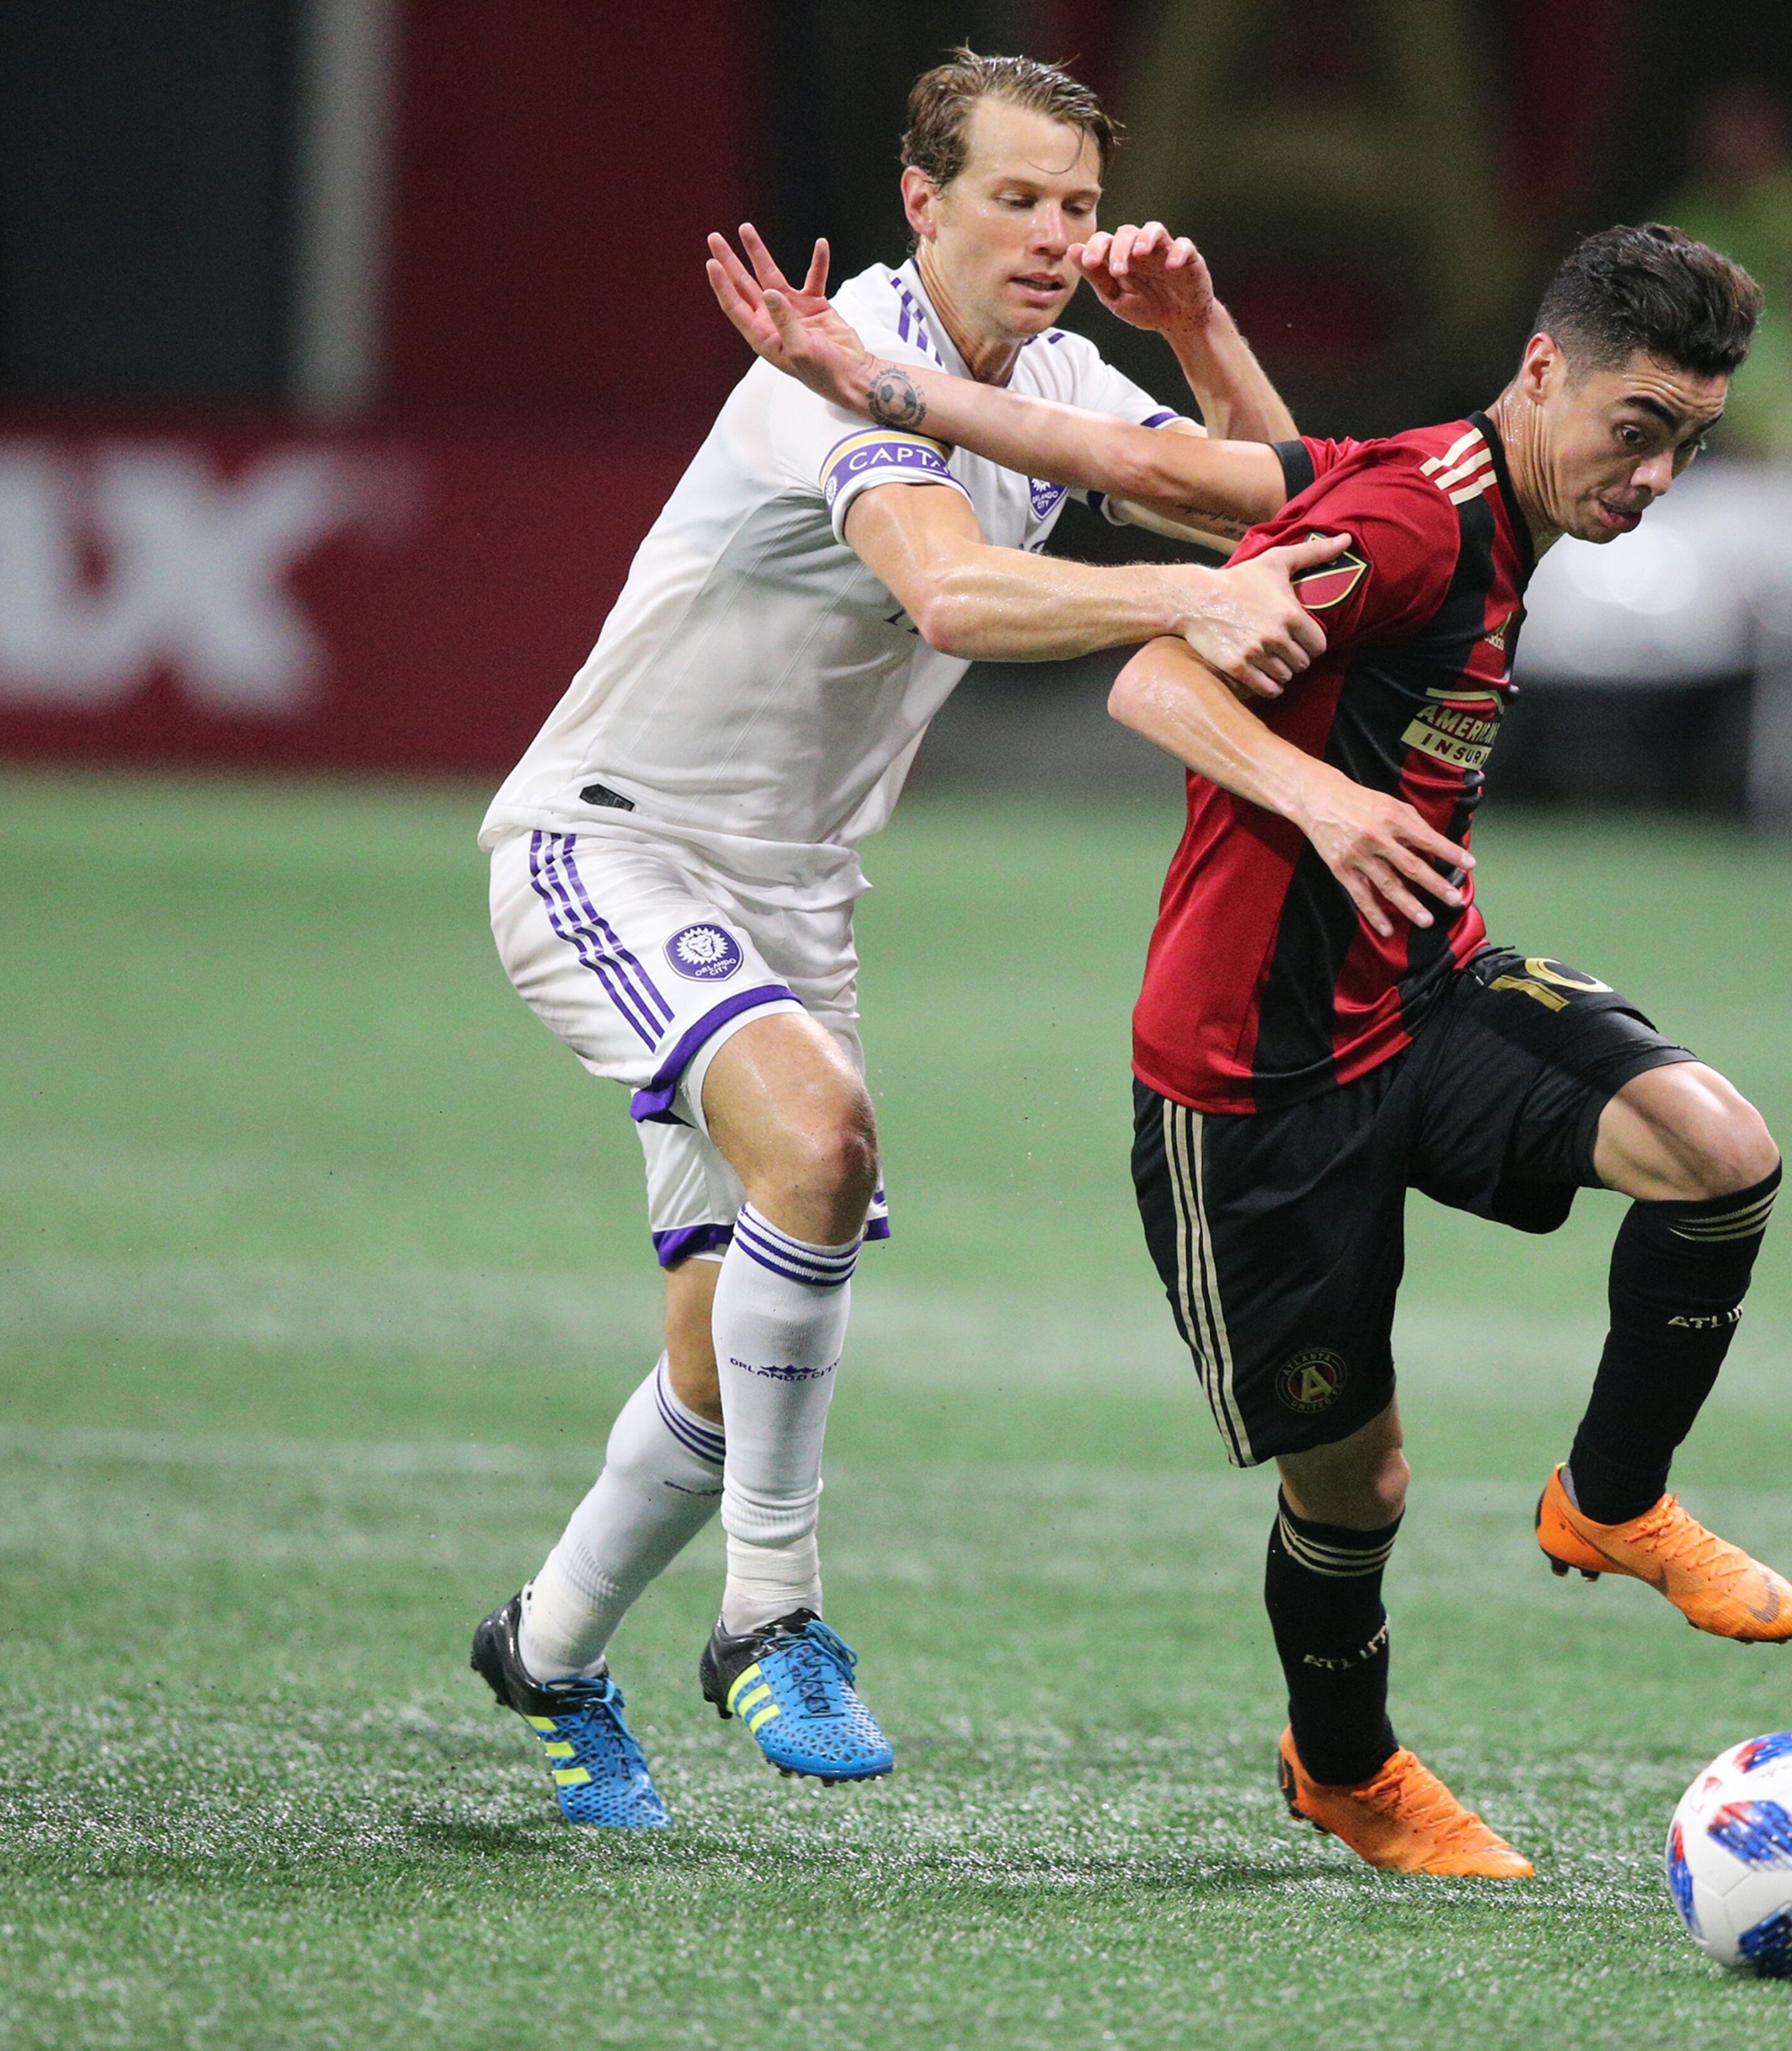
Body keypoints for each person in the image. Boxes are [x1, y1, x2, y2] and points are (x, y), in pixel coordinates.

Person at [723, 222, 1792, 1880]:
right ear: (1544, 373)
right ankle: (1347, 1765)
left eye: (1690, 443)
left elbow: (1182, 465)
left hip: (1423, 996)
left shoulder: (1473, 483)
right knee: (1354, 1483)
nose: (1656, 473)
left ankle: (1610, 1495)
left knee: (1718, 1151)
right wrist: (1329, 797)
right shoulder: (1421, 520)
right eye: (1640, 426)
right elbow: (1158, 675)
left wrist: (1201, 324)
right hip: (1252, 1081)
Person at [467, 48, 1342, 1831]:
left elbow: (1295, 503)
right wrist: (1181, 591)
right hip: (614, 846)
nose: (1053, 234)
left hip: (792, 894)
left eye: (1080, 206)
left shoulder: (1068, 372)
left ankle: (544, 1649)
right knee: (825, 1143)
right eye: (1016, 198)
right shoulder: (835, 361)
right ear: (922, 201)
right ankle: (768, 1618)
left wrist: (1197, 329)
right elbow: (953, 584)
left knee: (722, 1360)